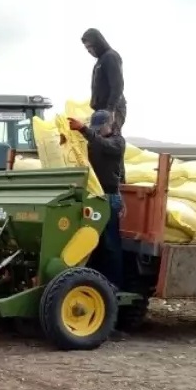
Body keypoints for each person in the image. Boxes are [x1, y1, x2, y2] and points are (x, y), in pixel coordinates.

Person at [68, 110, 125, 290]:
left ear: (110, 125)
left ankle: (114, 284)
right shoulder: (94, 143)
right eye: (96, 128)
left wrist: (83, 129)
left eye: (101, 128)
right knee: (92, 241)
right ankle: (94, 281)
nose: (98, 131)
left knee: (110, 243)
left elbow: (103, 144)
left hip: (109, 198)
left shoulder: (117, 143)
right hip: (93, 196)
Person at [81, 28, 126, 134]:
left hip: (111, 108)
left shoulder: (110, 57)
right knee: (97, 142)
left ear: (98, 43)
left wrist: (110, 110)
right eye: (87, 48)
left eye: (90, 47)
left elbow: (117, 85)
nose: (89, 51)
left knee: (109, 141)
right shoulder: (100, 61)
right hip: (101, 110)